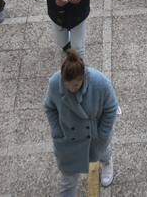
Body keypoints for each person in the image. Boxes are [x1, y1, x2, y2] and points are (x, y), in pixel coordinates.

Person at [44, 49, 117, 196]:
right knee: (68, 182)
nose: (72, 89)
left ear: (83, 77)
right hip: (68, 141)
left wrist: (103, 134)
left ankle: (107, 162)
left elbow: (111, 107)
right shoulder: (54, 83)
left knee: (102, 151)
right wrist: (57, 130)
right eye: (68, 85)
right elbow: (49, 107)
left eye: (76, 85)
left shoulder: (99, 83)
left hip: (94, 134)